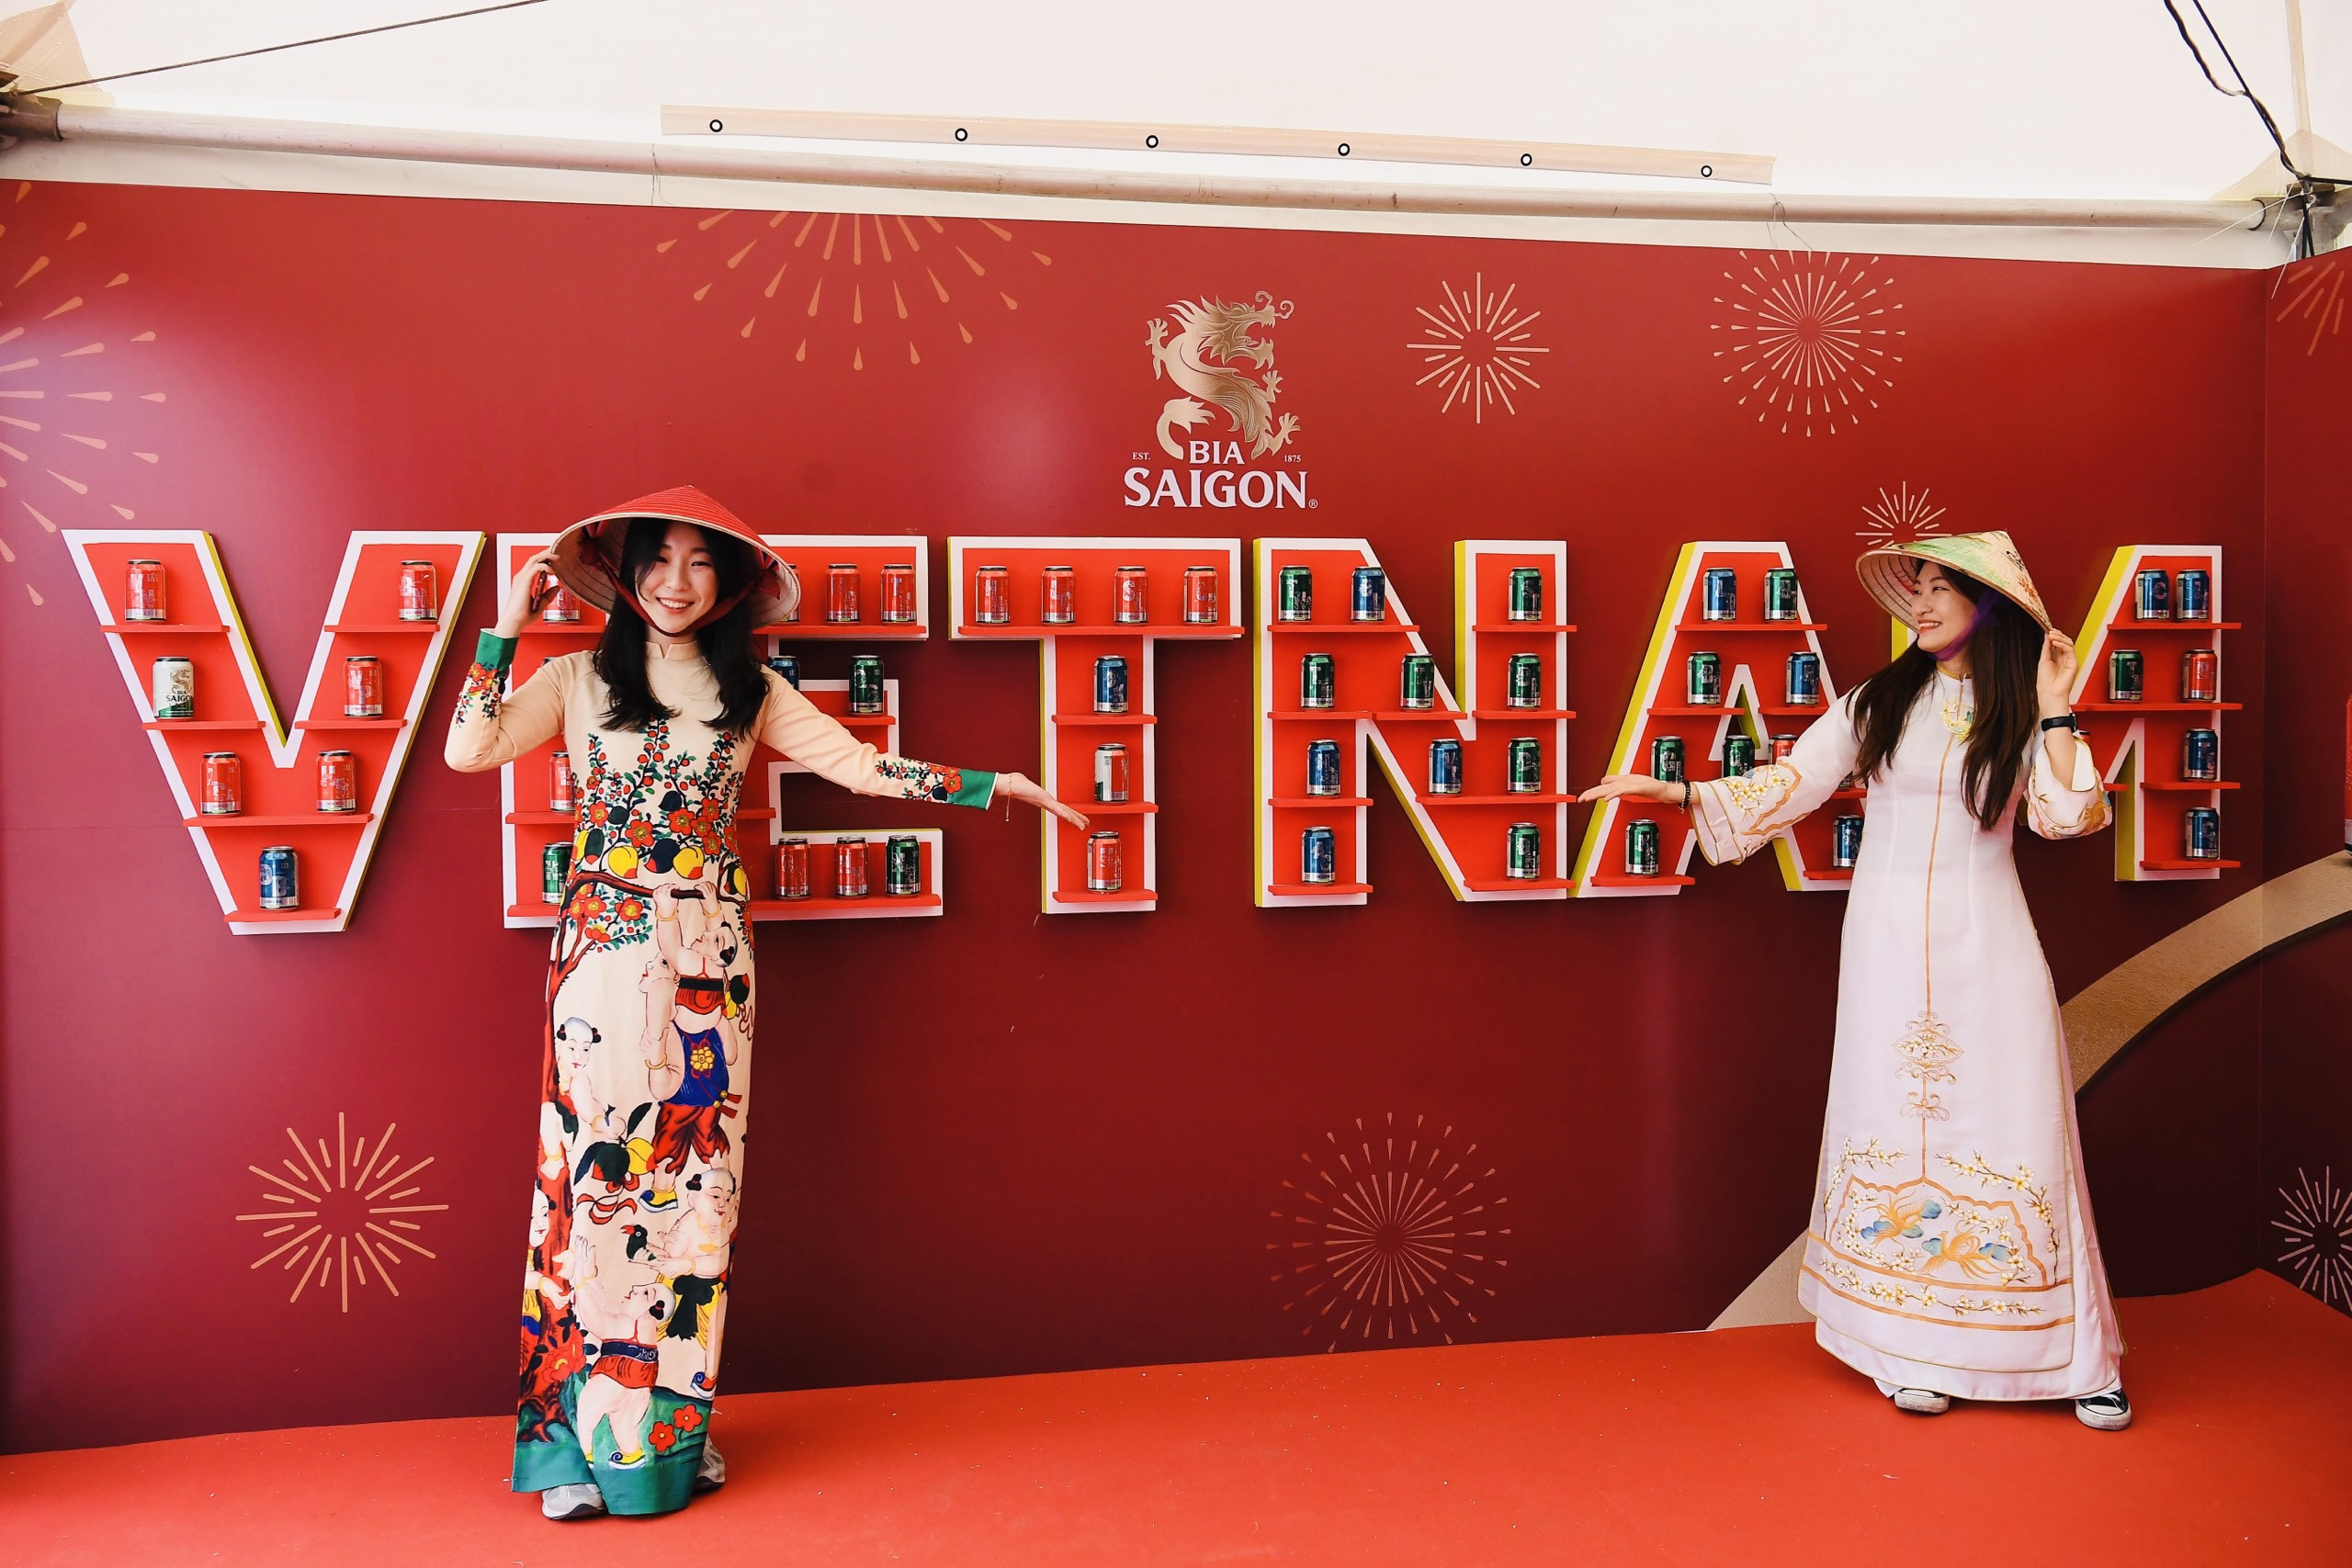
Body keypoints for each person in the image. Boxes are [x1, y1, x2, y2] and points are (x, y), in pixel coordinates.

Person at [447, 486, 1086, 1519]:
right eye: (659, 558)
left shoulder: (751, 692)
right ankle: (574, 1450)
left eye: (701, 562)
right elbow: (469, 750)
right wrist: (503, 635)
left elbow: (861, 766)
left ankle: (673, 1432)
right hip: (602, 959)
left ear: (731, 583)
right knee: (593, 1173)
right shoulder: (572, 679)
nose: (676, 581)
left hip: (714, 954)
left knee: (700, 1189)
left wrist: (990, 784)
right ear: (626, 571)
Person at [1578, 530, 2132, 1431]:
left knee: (2018, 1132)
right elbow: (1793, 782)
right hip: (1883, 952)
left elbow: (2069, 818)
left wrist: (2056, 705)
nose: (1920, 601)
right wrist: (1679, 794)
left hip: (1990, 950)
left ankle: (2075, 1360)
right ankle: (1910, 1352)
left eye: (1942, 587)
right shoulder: (1878, 701)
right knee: (1892, 1132)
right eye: (1917, 586)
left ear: (1990, 608)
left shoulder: (2021, 712)